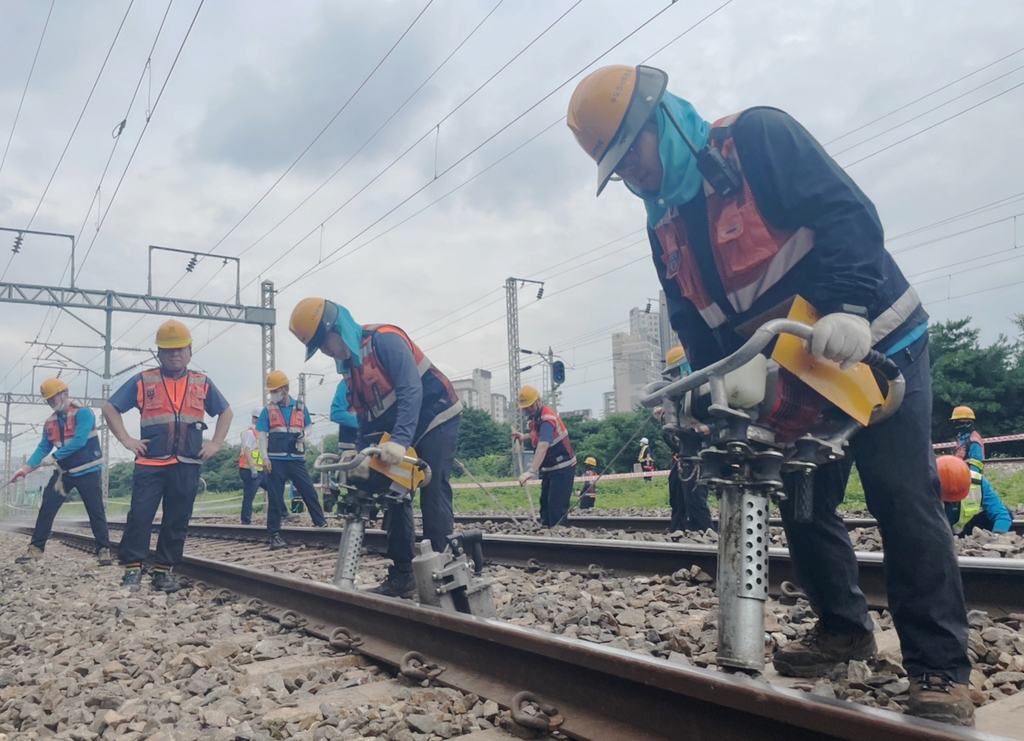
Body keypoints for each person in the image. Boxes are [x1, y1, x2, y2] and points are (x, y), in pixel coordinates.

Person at [568, 64, 973, 725]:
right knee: (803, 500)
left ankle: (938, 667)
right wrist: (715, 392)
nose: (631, 177)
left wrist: (846, 308)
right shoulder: (662, 221)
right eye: (617, 171)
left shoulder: (755, 140)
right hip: (799, 364)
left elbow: (848, 214)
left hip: (877, 340)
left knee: (902, 494)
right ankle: (845, 630)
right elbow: (694, 317)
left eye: (631, 155)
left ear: (661, 120)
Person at [289, 298, 462, 596]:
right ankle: (403, 573)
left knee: (432, 490)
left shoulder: (386, 340)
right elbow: (365, 415)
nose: (325, 351)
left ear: (338, 328)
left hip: (436, 417)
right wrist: (358, 452)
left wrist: (399, 441)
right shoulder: (349, 367)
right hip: (400, 430)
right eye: (318, 347)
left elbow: (411, 389)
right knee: (392, 493)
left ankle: (443, 573)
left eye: (324, 342)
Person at [102, 320, 232, 592]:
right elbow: (110, 407)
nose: (175, 354)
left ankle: (164, 572)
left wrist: (217, 443)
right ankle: (133, 570)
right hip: (150, 463)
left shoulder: (202, 382)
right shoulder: (144, 380)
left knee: (177, 519)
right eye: (168, 350)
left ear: (190, 351)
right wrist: (126, 439)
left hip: (187, 463)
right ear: (159, 353)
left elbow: (225, 412)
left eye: (180, 349)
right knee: (140, 516)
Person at [12, 378, 111, 566]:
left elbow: (80, 440)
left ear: (64, 394)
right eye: (48, 400)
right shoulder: (50, 422)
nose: (51, 403)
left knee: (95, 511)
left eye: (53, 398)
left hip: (88, 471)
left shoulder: (84, 413)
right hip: (63, 473)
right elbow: (43, 447)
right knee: (47, 509)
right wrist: (24, 469)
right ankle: (36, 550)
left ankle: (104, 550)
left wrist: (55, 456)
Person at [257, 370, 328, 549]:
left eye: (274, 390)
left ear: (285, 390)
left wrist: (305, 434)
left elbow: (309, 427)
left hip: (296, 459)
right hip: (275, 460)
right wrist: (265, 458)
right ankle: (274, 535)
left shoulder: (301, 408)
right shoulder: (268, 410)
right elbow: (263, 436)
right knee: (275, 498)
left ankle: (321, 524)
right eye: (271, 391)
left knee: (309, 492)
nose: (271, 394)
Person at [661, 347, 714, 533]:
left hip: (699, 450)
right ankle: (679, 532)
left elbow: (722, 421)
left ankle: (705, 533)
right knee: (677, 497)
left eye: (675, 372)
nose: (674, 377)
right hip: (681, 452)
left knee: (695, 499)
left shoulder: (706, 389)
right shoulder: (680, 396)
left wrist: (703, 430)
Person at [513, 386, 577, 527]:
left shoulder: (547, 419)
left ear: (538, 401)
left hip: (562, 467)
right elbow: (537, 435)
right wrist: (523, 437)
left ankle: (560, 538)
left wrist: (531, 471)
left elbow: (543, 445)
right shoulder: (537, 418)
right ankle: (548, 534)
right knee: (545, 506)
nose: (528, 410)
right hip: (550, 468)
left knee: (556, 509)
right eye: (525, 408)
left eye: (530, 406)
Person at [945, 406, 1012, 536]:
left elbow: (975, 462)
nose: (957, 425)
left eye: (960, 422)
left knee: (1002, 511)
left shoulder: (973, 439)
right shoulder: (962, 439)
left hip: (967, 480)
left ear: (968, 422)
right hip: (956, 479)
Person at [324, 378, 360, 515]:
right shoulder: (347, 382)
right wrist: (365, 423)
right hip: (350, 451)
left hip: (380, 447)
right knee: (354, 495)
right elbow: (336, 413)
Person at [239, 408, 269, 525]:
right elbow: (247, 450)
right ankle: (245, 521)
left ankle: (283, 513)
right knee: (249, 497)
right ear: (256, 419)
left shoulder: (260, 433)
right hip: (249, 470)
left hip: (261, 470)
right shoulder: (250, 433)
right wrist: (252, 468)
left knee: (274, 490)